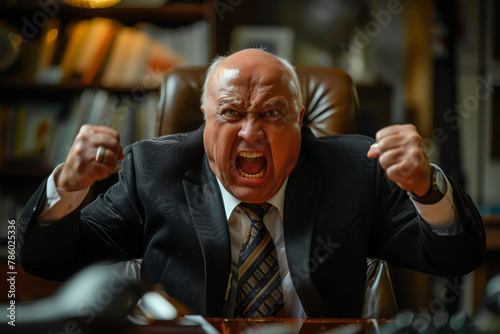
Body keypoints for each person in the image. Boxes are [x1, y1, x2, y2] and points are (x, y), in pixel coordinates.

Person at [18, 48, 485, 318]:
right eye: (230, 113)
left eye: (272, 113)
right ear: (203, 119)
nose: (250, 132)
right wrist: (69, 187)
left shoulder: (354, 173)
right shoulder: (155, 171)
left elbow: (458, 255)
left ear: (301, 120)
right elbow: (45, 259)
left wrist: (426, 188)